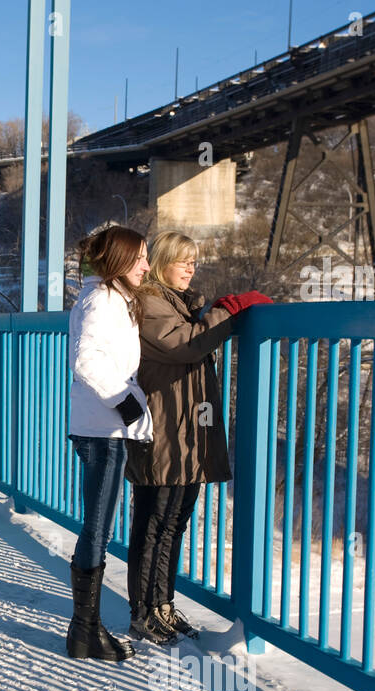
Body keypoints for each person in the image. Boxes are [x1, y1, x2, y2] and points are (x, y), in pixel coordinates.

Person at [125, 230, 271, 643]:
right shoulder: (151, 302)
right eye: (183, 260)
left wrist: (217, 311)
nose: (191, 268)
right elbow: (186, 345)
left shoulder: (178, 304)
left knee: (174, 522)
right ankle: (144, 612)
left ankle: (163, 605)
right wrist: (227, 310)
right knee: (154, 522)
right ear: (161, 263)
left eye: (194, 261)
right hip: (164, 433)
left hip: (186, 432)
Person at [65, 226, 154, 662]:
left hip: (101, 425)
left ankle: (86, 627)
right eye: (139, 257)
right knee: (97, 527)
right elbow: (85, 360)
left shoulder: (109, 296)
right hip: (103, 429)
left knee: (97, 525)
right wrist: (125, 404)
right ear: (119, 259)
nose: (146, 265)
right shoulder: (101, 299)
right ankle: (83, 631)